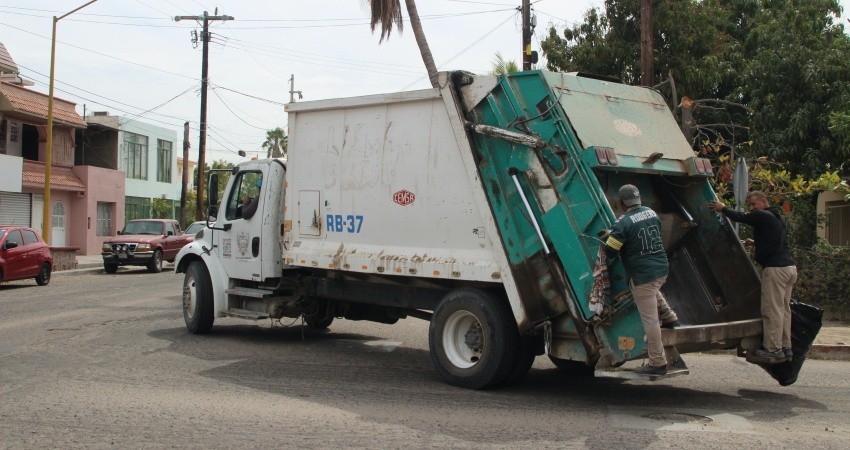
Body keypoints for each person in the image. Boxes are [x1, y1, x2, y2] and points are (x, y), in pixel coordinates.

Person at [709, 191, 796, 364]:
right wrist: (755, 243)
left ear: (764, 202)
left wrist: (723, 208)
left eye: (754, 204)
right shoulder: (775, 216)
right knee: (784, 310)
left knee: (772, 310)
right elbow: (776, 240)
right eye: (750, 205)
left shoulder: (762, 215)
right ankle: (785, 347)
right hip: (789, 269)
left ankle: (772, 349)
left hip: (776, 270)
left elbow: (742, 217)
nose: (752, 208)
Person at [605, 184, 681, 375]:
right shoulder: (651, 213)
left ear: (622, 203)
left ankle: (657, 362)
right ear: (639, 199)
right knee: (652, 289)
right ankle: (671, 317)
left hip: (642, 274)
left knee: (651, 321)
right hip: (661, 268)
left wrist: (611, 237)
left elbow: (611, 251)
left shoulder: (622, 223)